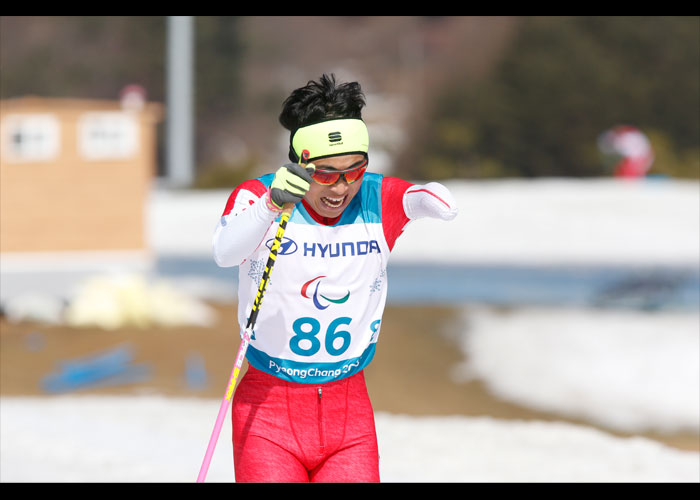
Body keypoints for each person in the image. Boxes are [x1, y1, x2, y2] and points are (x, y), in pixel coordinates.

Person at [212, 74, 458, 482]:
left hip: (349, 412)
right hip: (268, 406)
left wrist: (429, 198)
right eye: (326, 174)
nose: (341, 187)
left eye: (353, 170)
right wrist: (271, 204)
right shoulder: (259, 196)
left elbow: (420, 199)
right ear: (301, 164)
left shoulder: (376, 198)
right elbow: (225, 252)